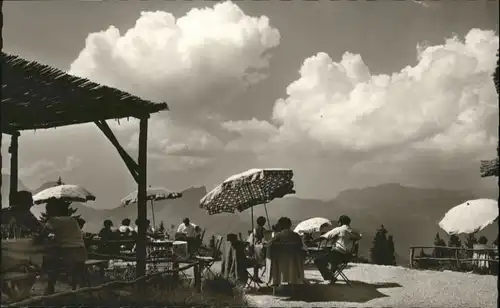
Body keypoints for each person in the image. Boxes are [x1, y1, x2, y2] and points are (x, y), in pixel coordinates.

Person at [35, 199, 88, 294]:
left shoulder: (54, 220)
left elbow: (41, 237)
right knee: (58, 260)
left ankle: (50, 288)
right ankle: (83, 289)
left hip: (69, 254)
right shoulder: (72, 220)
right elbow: (69, 236)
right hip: (82, 253)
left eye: (48, 209)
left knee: (51, 262)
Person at [313, 215, 362, 284]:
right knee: (332, 256)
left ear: (340, 222)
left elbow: (325, 236)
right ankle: (331, 274)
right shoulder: (354, 231)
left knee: (318, 260)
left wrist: (312, 242)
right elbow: (359, 237)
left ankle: (330, 277)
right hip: (347, 256)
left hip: (338, 254)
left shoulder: (339, 229)